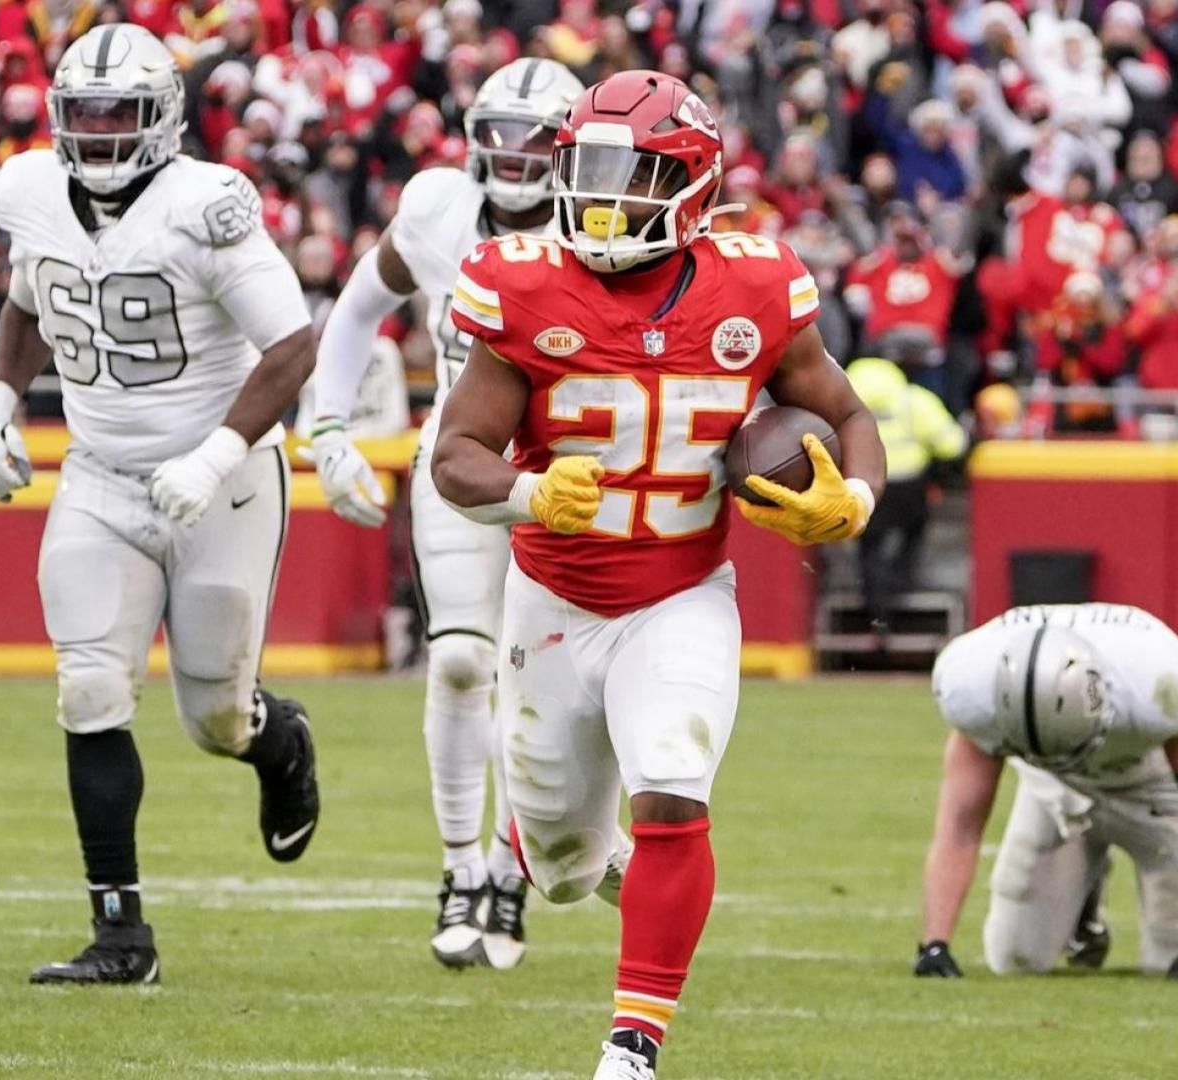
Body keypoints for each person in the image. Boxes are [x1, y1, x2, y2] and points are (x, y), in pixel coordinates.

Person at [432, 71, 884, 1080]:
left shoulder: (757, 286)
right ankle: (557, 838)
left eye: (628, 175)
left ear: (689, 184)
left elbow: (849, 417)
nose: (601, 197)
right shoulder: (523, 285)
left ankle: (631, 1051)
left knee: (673, 786)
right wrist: (525, 495)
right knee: (558, 872)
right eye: (586, 169)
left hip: (682, 594)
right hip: (550, 599)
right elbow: (454, 454)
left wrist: (851, 501)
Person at [0, 24, 320, 986]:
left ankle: (276, 739)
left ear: (164, 117)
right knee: (89, 690)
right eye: (85, 113)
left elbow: (291, 344)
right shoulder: (33, 190)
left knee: (213, 719)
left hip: (224, 481)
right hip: (100, 479)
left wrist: (213, 455)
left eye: (121, 111)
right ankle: (121, 936)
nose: (102, 131)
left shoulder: (207, 205)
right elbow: (35, 296)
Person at [309, 56, 583, 971]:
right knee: (463, 660)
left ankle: (513, 867)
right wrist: (330, 426)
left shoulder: (606, 221)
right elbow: (357, 310)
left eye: (533, 138)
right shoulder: (437, 211)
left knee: (542, 687)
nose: (512, 157)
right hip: (462, 463)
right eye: (498, 136)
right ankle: (461, 868)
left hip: (570, 477)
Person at [917, 603, 1178, 980]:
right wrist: (934, 945)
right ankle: (1084, 897)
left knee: (1171, 963)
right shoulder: (973, 691)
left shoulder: (1156, 686)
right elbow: (959, 828)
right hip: (1054, 788)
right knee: (1014, 958)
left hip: (1156, 784)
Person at [844, 356, 966, 628]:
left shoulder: (842, 404)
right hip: (910, 486)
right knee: (912, 534)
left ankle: (875, 605)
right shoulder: (914, 401)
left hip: (863, 486)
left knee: (869, 546)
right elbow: (952, 444)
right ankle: (900, 586)